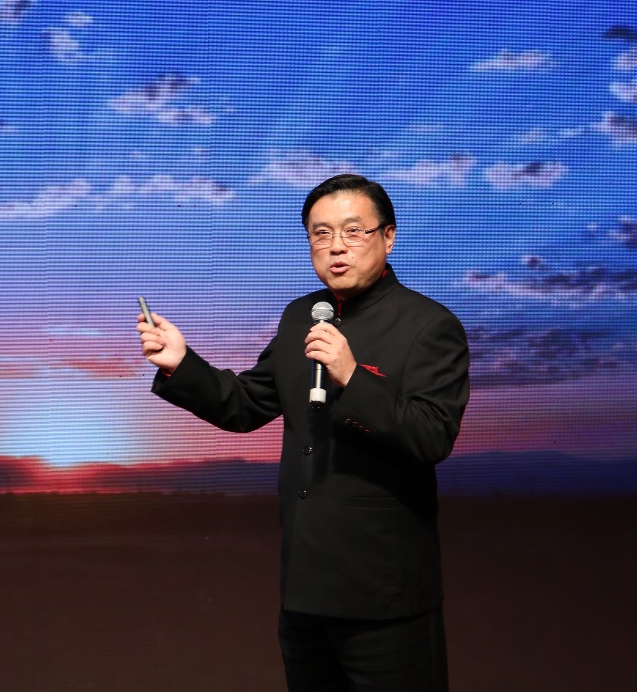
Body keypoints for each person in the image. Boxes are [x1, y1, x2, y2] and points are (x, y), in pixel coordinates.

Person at [137, 173, 469, 692]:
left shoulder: (429, 325)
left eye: (353, 231)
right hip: (305, 595)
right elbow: (245, 405)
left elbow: (433, 436)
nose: (336, 246)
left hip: (385, 598)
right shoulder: (301, 317)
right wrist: (182, 363)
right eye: (320, 233)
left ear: (388, 237)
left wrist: (352, 376)